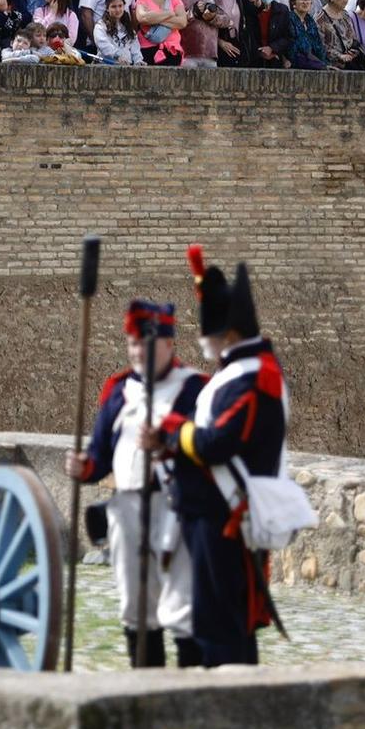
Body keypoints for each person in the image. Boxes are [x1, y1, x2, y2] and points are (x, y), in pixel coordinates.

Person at [144, 248, 290, 667]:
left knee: (224, 630)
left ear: (226, 332)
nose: (201, 338)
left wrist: (172, 431)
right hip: (209, 520)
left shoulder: (256, 377)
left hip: (226, 523)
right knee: (217, 624)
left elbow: (217, 443)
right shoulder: (235, 374)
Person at [66, 299, 206, 669]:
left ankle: (189, 692)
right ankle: (145, 686)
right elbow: (100, 454)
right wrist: (84, 467)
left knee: (180, 605)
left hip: (176, 508)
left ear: (168, 344)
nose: (137, 351)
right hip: (126, 506)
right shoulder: (118, 391)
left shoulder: (194, 389)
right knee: (135, 605)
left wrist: (165, 442)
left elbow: (206, 447)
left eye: (145, 343)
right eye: (132, 344)